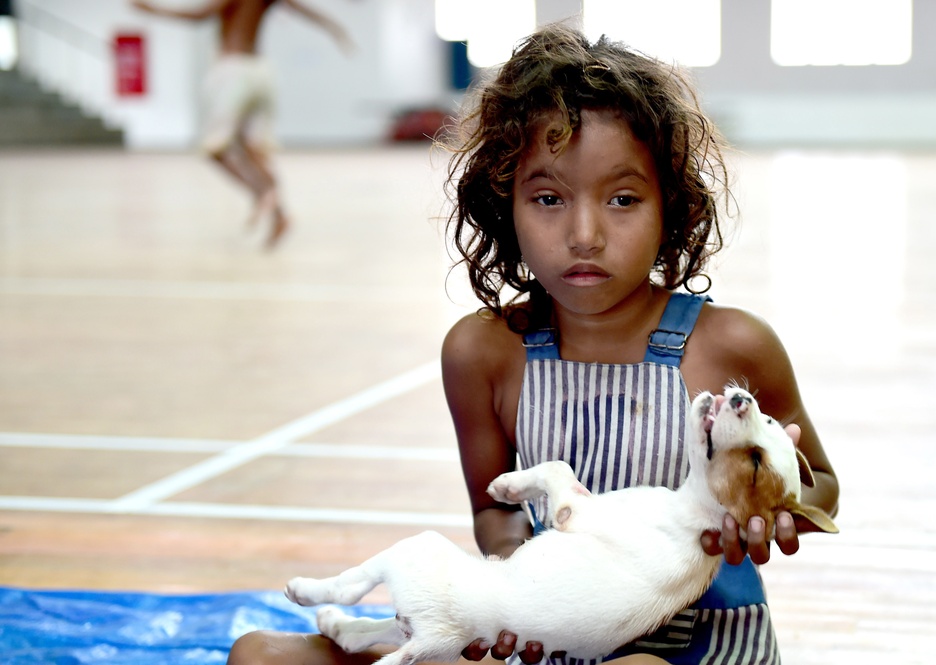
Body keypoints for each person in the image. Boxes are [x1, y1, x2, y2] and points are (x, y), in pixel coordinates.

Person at [227, 25, 839, 665]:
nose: (584, 234)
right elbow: (493, 513)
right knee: (261, 655)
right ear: (504, 204)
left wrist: (783, 510)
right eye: (548, 198)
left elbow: (821, 483)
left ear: (670, 206)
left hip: (698, 647)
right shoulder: (482, 352)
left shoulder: (731, 345)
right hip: (551, 632)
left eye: (623, 199)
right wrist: (515, 591)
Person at [131, 0, 355, 248]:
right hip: (262, 73)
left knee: (215, 149)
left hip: (233, 71)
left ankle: (262, 193)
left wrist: (153, 10)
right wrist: (338, 31)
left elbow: (197, 16)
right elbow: (308, 11)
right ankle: (279, 215)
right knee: (254, 149)